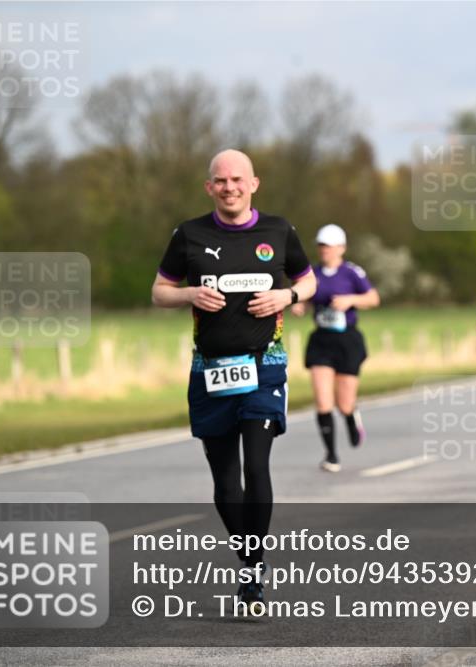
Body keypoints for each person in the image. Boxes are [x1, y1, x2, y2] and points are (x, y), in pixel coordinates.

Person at [151, 149, 317, 613]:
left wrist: (287, 295)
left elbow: (308, 281)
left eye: (237, 179)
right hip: (211, 370)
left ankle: (253, 574)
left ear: (254, 184)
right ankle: (249, 561)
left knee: (256, 465)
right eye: (221, 181)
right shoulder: (189, 234)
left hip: (265, 366)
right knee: (226, 485)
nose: (230, 187)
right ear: (210, 187)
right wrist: (189, 293)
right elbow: (159, 291)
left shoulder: (279, 231)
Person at [291, 224, 380, 473]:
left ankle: (351, 416)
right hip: (321, 341)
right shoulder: (313, 273)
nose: (325, 250)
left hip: (347, 341)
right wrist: (301, 306)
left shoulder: (352, 273)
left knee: (344, 403)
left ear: (341, 248)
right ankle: (331, 455)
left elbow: (373, 298)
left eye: (329, 246)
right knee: (323, 401)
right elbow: (306, 298)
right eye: (321, 246)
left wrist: (351, 299)